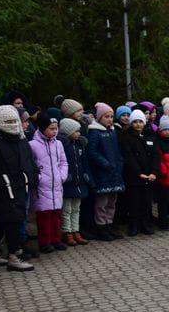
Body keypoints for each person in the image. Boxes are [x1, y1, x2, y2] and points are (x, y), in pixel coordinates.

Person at [0, 105, 37, 271]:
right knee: (12, 219)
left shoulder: (20, 138)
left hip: (19, 185)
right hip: (3, 188)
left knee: (6, 220)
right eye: (8, 121)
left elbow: (28, 160)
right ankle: (14, 255)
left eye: (14, 121)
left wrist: (31, 176)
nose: (12, 125)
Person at [29, 113, 69, 253]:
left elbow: (63, 162)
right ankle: (45, 242)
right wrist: (39, 178)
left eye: (56, 128)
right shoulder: (33, 145)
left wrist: (62, 176)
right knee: (44, 216)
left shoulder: (58, 144)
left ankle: (56, 239)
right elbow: (31, 165)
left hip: (56, 185)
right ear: (42, 128)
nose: (54, 131)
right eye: (51, 128)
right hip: (42, 187)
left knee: (56, 214)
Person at [86, 103, 125, 240]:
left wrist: (119, 163)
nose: (110, 119)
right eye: (106, 116)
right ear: (99, 118)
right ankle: (101, 227)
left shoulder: (112, 131)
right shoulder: (95, 132)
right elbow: (92, 152)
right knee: (102, 202)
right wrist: (105, 163)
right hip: (102, 173)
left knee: (112, 201)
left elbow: (116, 151)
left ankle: (109, 224)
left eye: (111, 117)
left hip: (114, 172)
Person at [119, 110, 159, 236]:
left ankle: (145, 224)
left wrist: (154, 172)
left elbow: (155, 156)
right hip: (134, 177)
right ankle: (134, 225)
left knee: (147, 202)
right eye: (135, 122)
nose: (138, 124)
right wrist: (138, 173)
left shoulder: (150, 136)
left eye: (140, 121)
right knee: (134, 202)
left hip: (149, 176)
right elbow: (129, 157)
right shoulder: (126, 138)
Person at [59, 118, 92, 246]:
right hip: (69, 183)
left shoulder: (79, 145)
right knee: (67, 210)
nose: (79, 133)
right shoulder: (63, 146)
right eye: (76, 131)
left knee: (76, 208)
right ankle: (67, 232)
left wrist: (85, 175)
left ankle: (75, 230)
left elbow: (84, 162)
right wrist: (66, 176)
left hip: (79, 182)